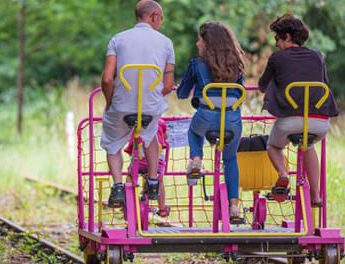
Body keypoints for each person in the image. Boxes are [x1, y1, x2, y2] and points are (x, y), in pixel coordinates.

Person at [258, 14, 339, 206]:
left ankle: (283, 174)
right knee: (308, 145)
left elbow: (262, 85)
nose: (276, 43)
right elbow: (323, 84)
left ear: (286, 37)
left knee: (273, 146)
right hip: (320, 121)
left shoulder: (277, 58)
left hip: (290, 120)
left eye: (277, 38)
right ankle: (316, 195)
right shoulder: (318, 55)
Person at [101, 0, 175, 208]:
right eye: (160, 18)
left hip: (121, 106)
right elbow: (168, 85)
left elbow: (107, 79)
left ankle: (117, 186)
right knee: (151, 135)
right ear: (153, 16)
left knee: (113, 143)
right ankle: (153, 181)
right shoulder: (166, 42)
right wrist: (153, 95)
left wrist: (109, 103)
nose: (161, 22)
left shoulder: (118, 39)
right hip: (150, 108)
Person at [176, 22, 245, 222]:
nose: (197, 43)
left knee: (193, 132)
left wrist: (182, 89)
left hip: (206, 115)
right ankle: (234, 208)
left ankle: (196, 161)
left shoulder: (197, 63)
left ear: (207, 43)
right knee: (231, 159)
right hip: (232, 118)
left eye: (199, 39)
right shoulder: (236, 64)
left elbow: (182, 93)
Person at [124, 119, 170, 217]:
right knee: (159, 180)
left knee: (130, 176)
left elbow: (131, 140)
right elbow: (165, 137)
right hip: (157, 160)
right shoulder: (160, 122)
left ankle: (131, 203)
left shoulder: (135, 123)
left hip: (140, 159)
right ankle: (162, 209)